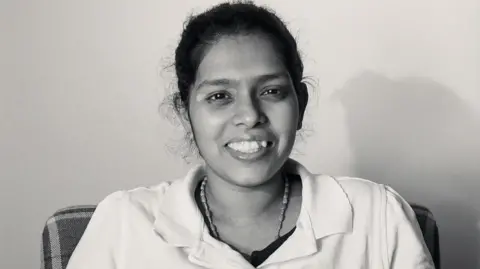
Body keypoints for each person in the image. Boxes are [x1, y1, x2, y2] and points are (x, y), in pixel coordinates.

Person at [65, 2, 435, 268]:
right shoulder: (124, 224)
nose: (249, 116)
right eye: (220, 96)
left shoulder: (377, 216)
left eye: (271, 91)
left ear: (300, 103)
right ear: (185, 111)